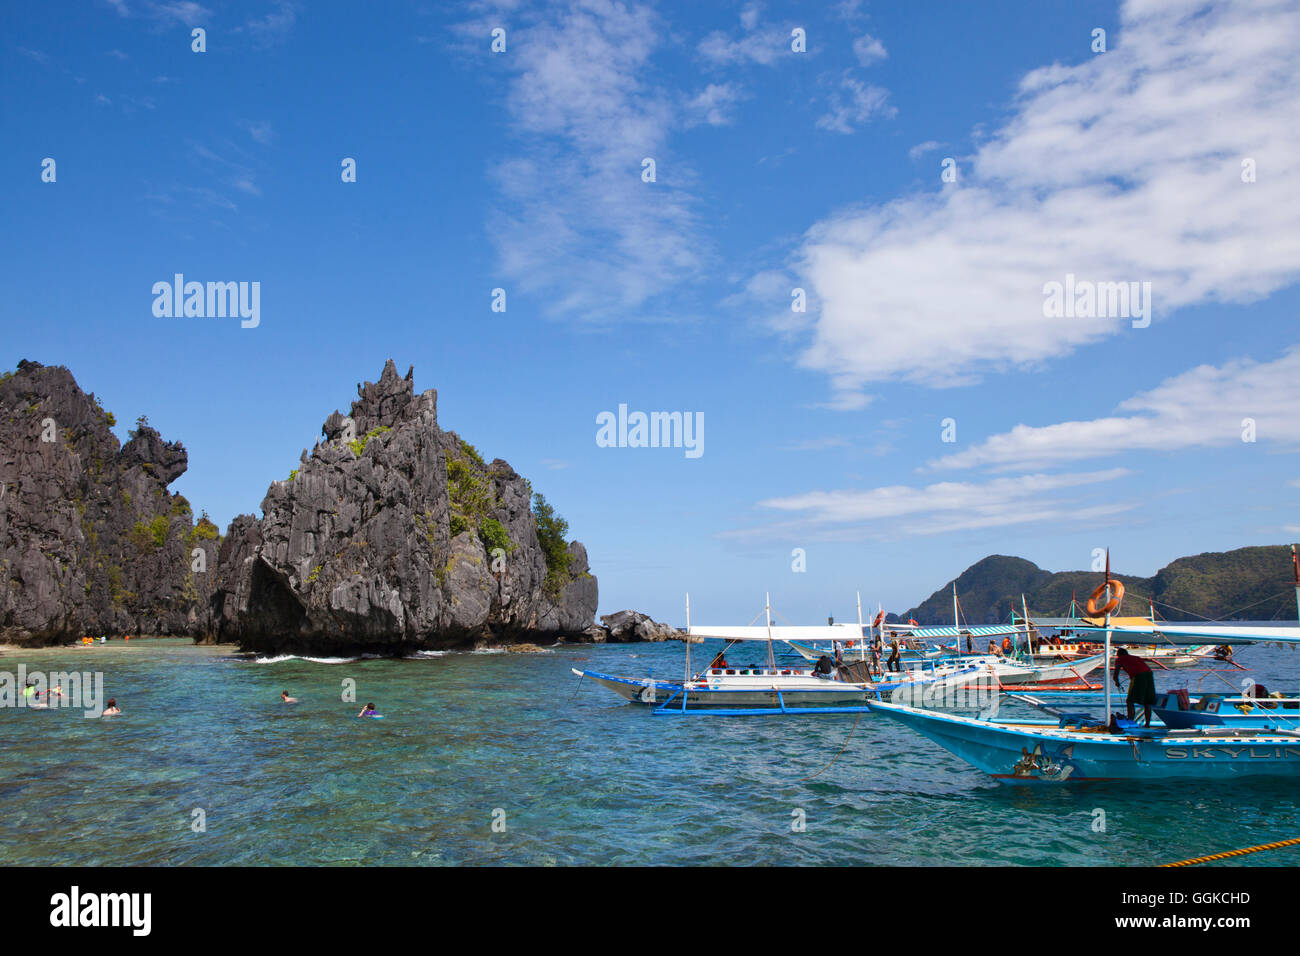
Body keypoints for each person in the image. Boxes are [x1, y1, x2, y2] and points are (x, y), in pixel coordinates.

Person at [1113, 649, 1156, 727]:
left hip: (1138, 676)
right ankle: (1147, 724)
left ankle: (1130, 722)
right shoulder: (1136, 657)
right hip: (1149, 675)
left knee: (1130, 701)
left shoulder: (1120, 659)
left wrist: (1117, 682)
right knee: (1147, 702)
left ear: (1119, 654)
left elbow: (1116, 673)